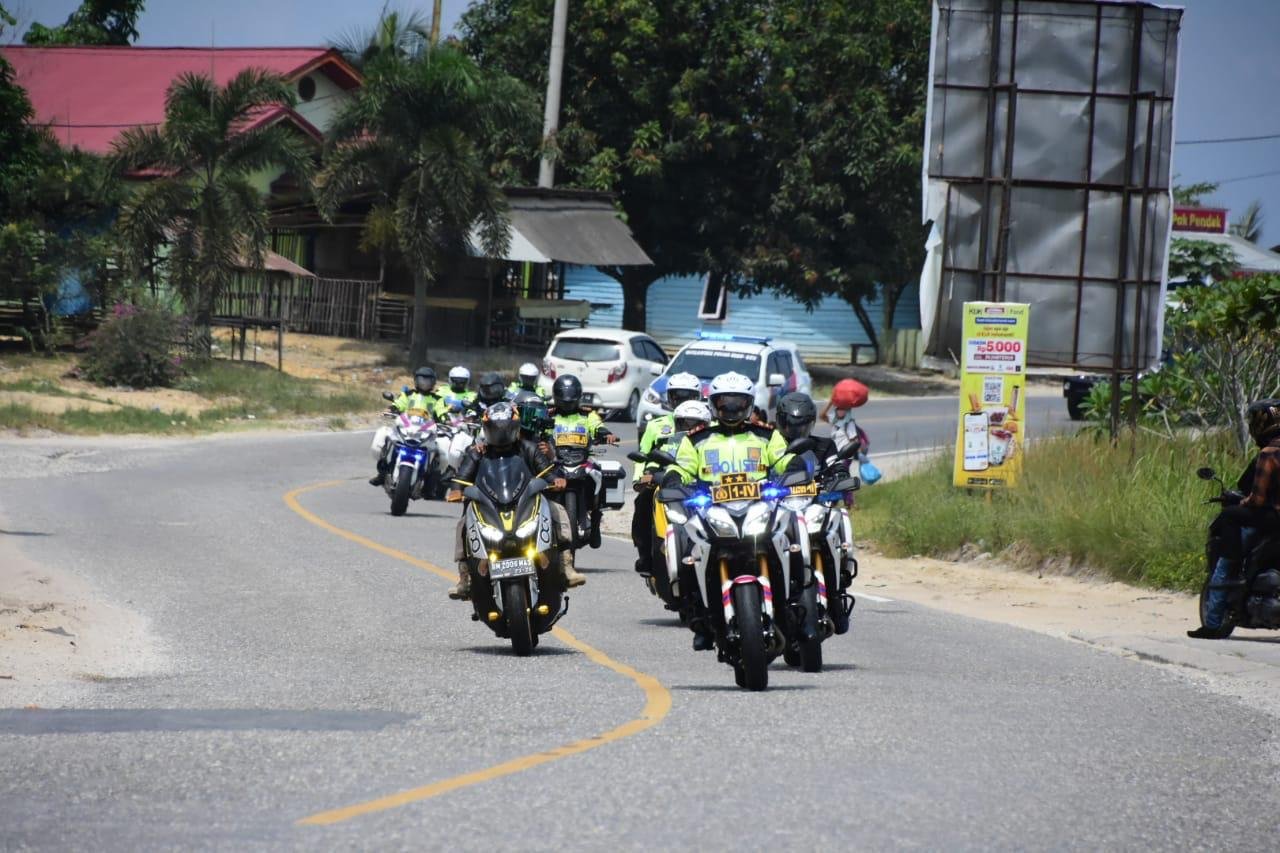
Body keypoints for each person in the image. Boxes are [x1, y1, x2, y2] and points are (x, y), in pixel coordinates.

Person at [663, 372, 802, 650]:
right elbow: (682, 467)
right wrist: (673, 479)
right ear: (714, 405)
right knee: (689, 555)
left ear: (748, 405)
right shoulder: (697, 439)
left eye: (737, 404)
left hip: (757, 510)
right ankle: (699, 618)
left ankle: (795, 600)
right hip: (714, 514)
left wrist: (795, 468)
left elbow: (785, 459)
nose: (731, 410)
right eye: (725, 404)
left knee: (791, 543)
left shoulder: (766, 435)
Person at [444, 401, 585, 600]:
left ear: (515, 427)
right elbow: (462, 477)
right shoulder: (478, 452)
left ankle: (565, 564)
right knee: (463, 523)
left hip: (524, 503)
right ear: (486, 429)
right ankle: (465, 575)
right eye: (495, 429)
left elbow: (546, 471)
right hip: (490, 506)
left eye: (505, 428)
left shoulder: (528, 448)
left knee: (557, 509)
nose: (500, 434)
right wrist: (456, 490)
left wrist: (557, 480)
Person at [1190, 399, 1280, 638]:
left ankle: (1230, 566)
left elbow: (1257, 500)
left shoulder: (1269, 453)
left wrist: (1242, 502)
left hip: (1273, 518)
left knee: (1229, 516)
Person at [632, 398, 713, 576]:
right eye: (684, 422)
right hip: (673, 485)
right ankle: (645, 555)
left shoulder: (712, 444)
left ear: (707, 424)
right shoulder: (670, 441)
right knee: (643, 501)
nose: (690, 427)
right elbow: (653, 460)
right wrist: (649, 475)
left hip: (706, 488)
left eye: (696, 423)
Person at [369, 366, 444, 487]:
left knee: (441, 448)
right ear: (416, 380)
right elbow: (399, 404)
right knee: (385, 435)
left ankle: (432, 482)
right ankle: (382, 473)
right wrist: (392, 408)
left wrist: (445, 418)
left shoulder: (437, 399)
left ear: (433, 382)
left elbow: (441, 411)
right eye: (421, 380)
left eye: (427, 380)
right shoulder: (407, 394)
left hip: (426, 430)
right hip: (407, 426)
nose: (424, 383)